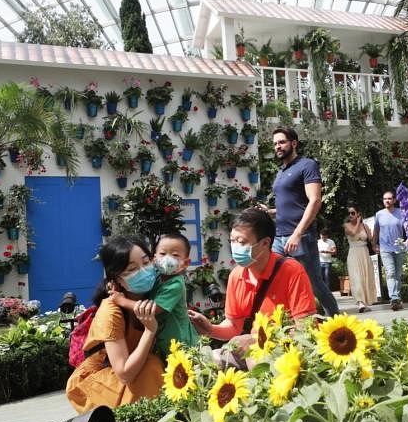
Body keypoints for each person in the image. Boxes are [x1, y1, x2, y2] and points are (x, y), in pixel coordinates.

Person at [188, 208, 316, 355]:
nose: (235, 247)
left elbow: (306, 329)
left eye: (241, 242)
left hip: (286, 352)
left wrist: (256, 341)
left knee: (252, 359)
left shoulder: (292, 271)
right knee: (212, 358)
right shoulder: (236, 276)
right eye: (232, 241)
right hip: (255, 348)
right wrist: (210, 329)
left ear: (265, 243)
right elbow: (233, 326)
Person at [66, 236, 165, 413]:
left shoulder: (155, 298)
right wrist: (150, 331)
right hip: (104, 381)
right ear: (117, 279)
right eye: (132, 269)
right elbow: (125, 373)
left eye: (146, 262)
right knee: (152, 367)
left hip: (135, 372)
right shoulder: (111, 311)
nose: (144, 271)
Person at [262, 127, 340, 316]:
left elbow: (314, 200)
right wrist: (270, 212)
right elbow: (292, 205)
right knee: (273, 279)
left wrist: (297, 233)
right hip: (279, 237)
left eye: (281, 142)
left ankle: (336, 323)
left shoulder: (307, 165)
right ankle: (283, 325)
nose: (277, 147)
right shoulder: (281, 172)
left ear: (293, 143)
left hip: (300, 236)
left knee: (314, 284)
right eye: (275, 144)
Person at [112, 232, 199, 359]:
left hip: (184, 348)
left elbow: (152, 309)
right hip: (165, 345)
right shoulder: (155, 275)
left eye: (175, 255)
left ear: (185, 263)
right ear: (154, 258)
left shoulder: (175, 285)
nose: (167, 258)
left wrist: (122, 301)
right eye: (163, 254)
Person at [373, 191, 406, 311]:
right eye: (384, 199)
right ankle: (394, 298)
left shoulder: (401, 213)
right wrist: (374, 244)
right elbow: (376, 231)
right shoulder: (379, 214)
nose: (387, 201)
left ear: (394, 200)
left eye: (389, 198)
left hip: (399, 247)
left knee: (398, 274)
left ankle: (397, 298)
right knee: (391, 272)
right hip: (385, 249)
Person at [343, 206, 377, 313]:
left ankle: (365, 303)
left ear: (358, 213)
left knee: (365, 277)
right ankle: (360, 303)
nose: (351, 215)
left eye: (353, 213)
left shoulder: (365, 226)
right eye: (349, 213)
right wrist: (358, 221)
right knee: (356, 278)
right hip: (354, 253)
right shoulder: (346, 226)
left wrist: (374, 234)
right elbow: (353, 233)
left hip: (364, 252)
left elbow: (371, 239)